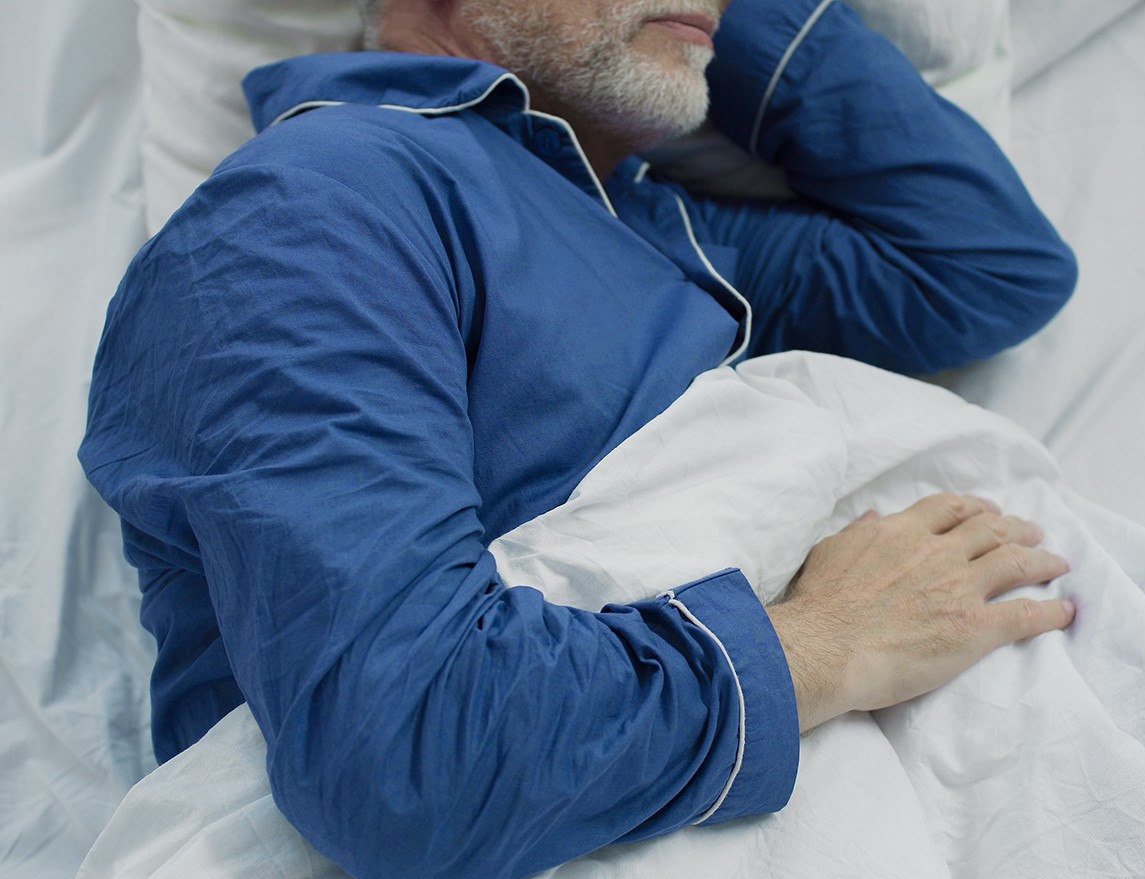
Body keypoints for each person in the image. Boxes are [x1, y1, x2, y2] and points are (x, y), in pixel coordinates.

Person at [79, 0, 1078, 877]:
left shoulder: (661, 231)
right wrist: (819, 643)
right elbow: (409, 762)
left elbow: (984, 263)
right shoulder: (320, 198)